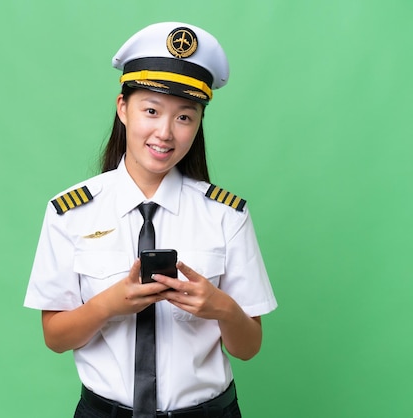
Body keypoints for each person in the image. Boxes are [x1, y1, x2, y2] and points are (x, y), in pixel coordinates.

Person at [24, 21, 277, 418]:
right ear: (123, 107)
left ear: (198, 124)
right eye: (151, 111)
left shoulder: (227, 215)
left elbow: (249, 347)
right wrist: (108, 305)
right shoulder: (69, 212)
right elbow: (55, 337)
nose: (165, 132)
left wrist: (221, 308)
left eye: (184, 117)